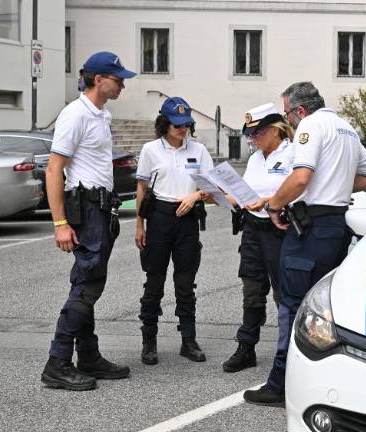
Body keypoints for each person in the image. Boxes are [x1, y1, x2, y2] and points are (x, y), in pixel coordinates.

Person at [243, 82, 366, 406]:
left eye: (287, 114)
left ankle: (280, 385)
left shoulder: (310, 126)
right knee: (325, 308)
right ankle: (323, 382)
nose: (287, 121)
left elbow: (301, 177)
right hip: (336, 226)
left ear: (300, 110)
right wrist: (336, 185)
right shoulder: (346, 128)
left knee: (292, 306)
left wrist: (274, 205)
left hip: (310, 229)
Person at [41, 51, 136, 391]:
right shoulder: (75, 114)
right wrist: (60, 223)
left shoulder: (101, 114)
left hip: (102, 208)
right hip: (88, 208)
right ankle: (57, 362)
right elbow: (54, 169)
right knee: (89, 284)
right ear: (98, 80)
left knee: (87, 282)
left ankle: (89, 356)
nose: (122, 85)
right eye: (118, 79)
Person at [134, 97, 214, 365]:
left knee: (185, 284)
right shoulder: (150, 149)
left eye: (186, 124)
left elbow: (212, 187)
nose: (183, 129)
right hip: (159, 217)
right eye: (177, 124)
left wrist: (196, 196)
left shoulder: (199, 150)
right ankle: (149, 341)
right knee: (154, 282)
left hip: (187, 219)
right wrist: (139, 225)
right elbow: (142, 188)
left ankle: (188, 340)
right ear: (164, 124)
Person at [222, 103, 295, 373]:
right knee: (252, 288)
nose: (253, 139)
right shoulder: (255, 159)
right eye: (250, 135)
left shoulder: (292, 154)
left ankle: (288, 351)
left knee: (283, 292)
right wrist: (218, 195)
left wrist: (269, 200)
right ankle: (247, 347)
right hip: (253, 228)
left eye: (257, 133)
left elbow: (300, 190)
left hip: (281, 229)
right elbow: (244, 195)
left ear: (275, 130)